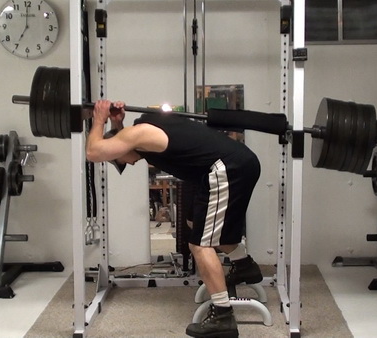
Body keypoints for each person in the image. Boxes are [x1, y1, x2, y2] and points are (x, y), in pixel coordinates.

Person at [86, 100, 263, 338]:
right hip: (225, 168)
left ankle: (223, 316)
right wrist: (117, 123)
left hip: (227, 168)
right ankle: (244, 266)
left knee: (200, 244)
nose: (128, 162)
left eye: (119, 159)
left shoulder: (140, 132)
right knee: (197, 225)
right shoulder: (140, 132)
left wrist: (98, 119)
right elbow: (128, 139)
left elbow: (93, 152)